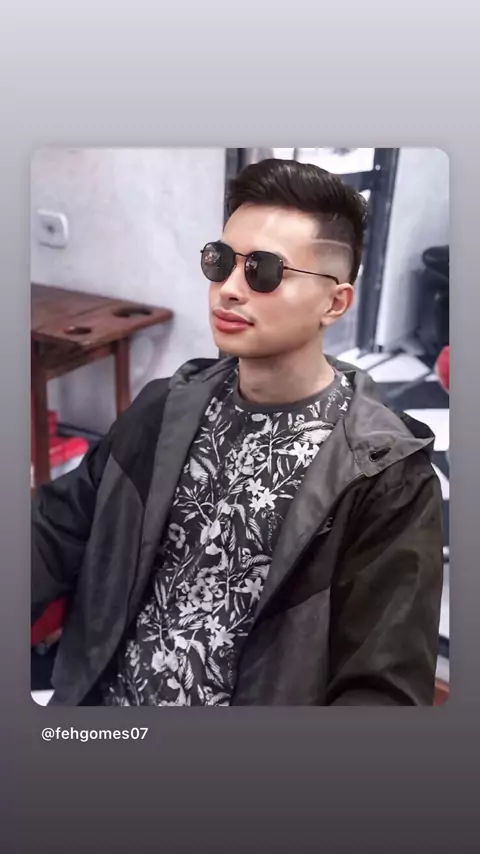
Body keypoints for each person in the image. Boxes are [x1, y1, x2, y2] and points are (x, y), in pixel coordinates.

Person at [31, 158, 444, 706]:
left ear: (335, 302)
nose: (227, 289)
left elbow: (382, 690)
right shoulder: (165, 410)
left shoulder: (385, 478)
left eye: (263, 271)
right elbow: (53, 529)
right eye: (220, 261)